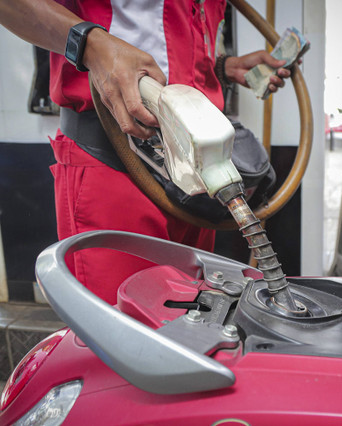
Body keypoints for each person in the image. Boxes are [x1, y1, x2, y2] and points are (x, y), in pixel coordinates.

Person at [0, 0, 292, 304]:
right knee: (122, 328)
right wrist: (91, 44)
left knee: (192, 322)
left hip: (196, 173)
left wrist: (220, 67)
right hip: (115, 160)